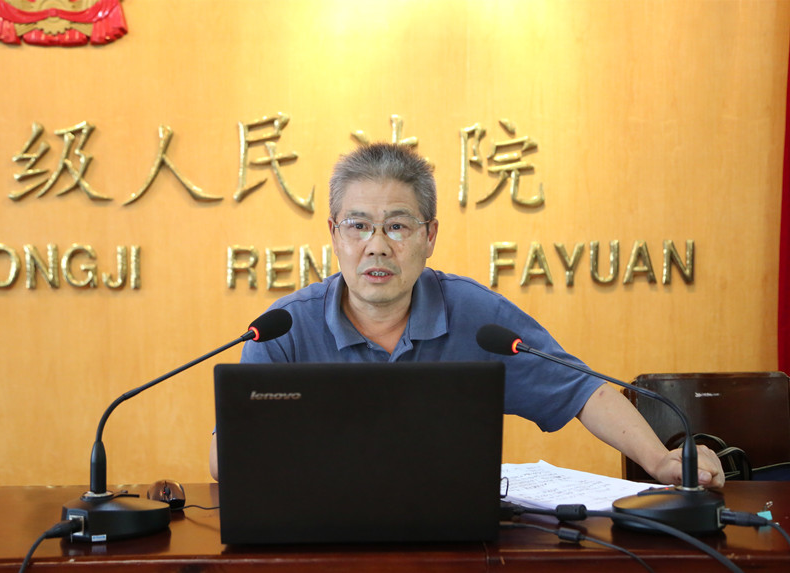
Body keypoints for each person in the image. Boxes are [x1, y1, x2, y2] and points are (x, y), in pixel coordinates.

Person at [210, 142, 724, 487]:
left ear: (429, 236)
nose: (377, 246)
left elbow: (583, 390)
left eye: (397, 226)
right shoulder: (284, 328)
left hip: (454, 543)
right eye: (359, 226)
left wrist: (659, 459)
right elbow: (223, 461)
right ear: (334, 234)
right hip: (320, 537)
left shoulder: (477, 317)